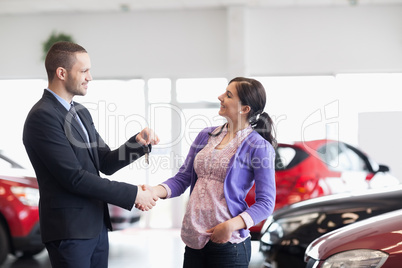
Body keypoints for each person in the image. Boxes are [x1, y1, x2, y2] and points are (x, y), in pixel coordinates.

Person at [22, 41, 159, 268]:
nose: (90, 77)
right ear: (62, 73)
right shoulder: (42, 116)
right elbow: (74, 177)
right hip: (69, 231)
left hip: (96, 227)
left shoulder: (80, 113)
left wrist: (137, 143)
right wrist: (133, 194)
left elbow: (104, 161)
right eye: (84, 70)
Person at [148, 77, 277, 268]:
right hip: (194, 240)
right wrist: (153, 191)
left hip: (229, 243)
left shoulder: (258, 146)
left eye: (228, 95)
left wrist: (231, 225)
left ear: (244, 109)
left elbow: (266, 202)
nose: (220, 97)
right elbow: (183, 178)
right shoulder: (206, 136)